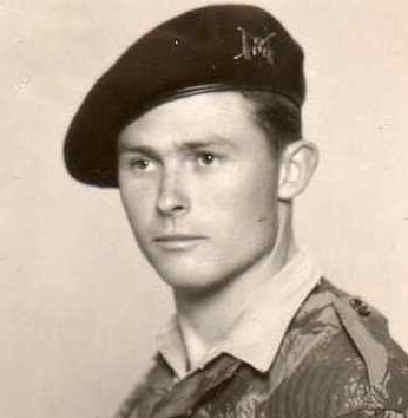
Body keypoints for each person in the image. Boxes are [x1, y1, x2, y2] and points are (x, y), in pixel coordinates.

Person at [63, 4, 408, 418]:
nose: (167, 199)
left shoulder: (355, 392)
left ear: (290, 171)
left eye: (206, 158)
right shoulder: (167, 376)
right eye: (143, 163)